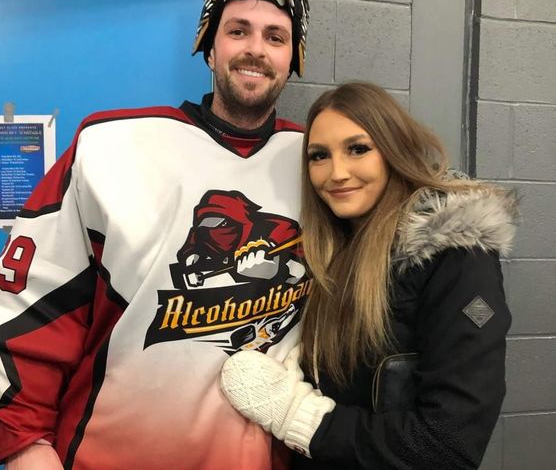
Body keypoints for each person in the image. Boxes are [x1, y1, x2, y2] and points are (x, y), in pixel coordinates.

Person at [0, 0, 311, 470]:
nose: (256, 49)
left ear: (293, 58)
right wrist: (24, 442)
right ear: (209, 46)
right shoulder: (110, 145)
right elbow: (26, 302)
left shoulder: (318, 164)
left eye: (276, 37)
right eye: (238, 31)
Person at [220, 82, 518, 469]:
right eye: (319, 156)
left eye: (358, 149)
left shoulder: (456, 257)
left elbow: (450, 445)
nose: (337, 173)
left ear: (394, 149)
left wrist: (301, 418)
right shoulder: (338, 245)